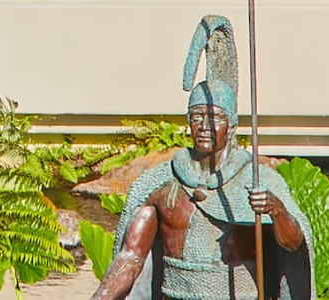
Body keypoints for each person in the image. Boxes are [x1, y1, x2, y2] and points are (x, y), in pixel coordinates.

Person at [92, 15, 316, 300]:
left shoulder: (257, 180)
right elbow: (131, 255)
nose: (205, 126)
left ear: (231, 124)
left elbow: (293, 243)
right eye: (197, 117)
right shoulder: (161, 184)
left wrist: (276, 210)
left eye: (215, 118)